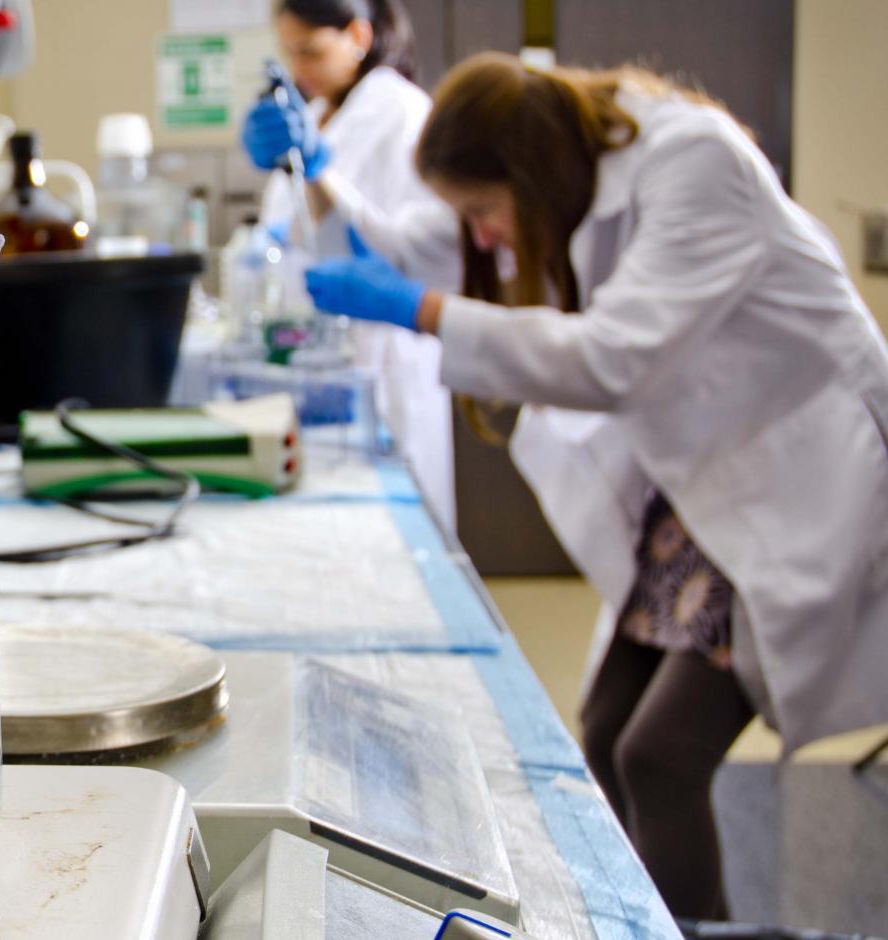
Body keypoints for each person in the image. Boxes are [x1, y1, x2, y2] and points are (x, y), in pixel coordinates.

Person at [304, 52, 888, 920]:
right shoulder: (575, 183)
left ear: (526, 174)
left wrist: (422, 313)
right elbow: (419, 245)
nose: (486, 239)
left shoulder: (695, 163)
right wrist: (321, 184)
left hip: (797, 476)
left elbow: (615, 358)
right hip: (707, 482)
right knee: (609, 726)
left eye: (486, 212)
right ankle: (632, 922)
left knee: (660, 754)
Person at [240, 0, 458, 532]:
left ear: (358, 35)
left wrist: (318, 172)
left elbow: (405, 246)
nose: (298, 69)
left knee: (397, 532)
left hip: (382, 357)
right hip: (313, 353)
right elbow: (291, 228)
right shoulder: (313, 115)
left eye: (311, 51)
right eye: (289, 52)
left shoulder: (401, 111)